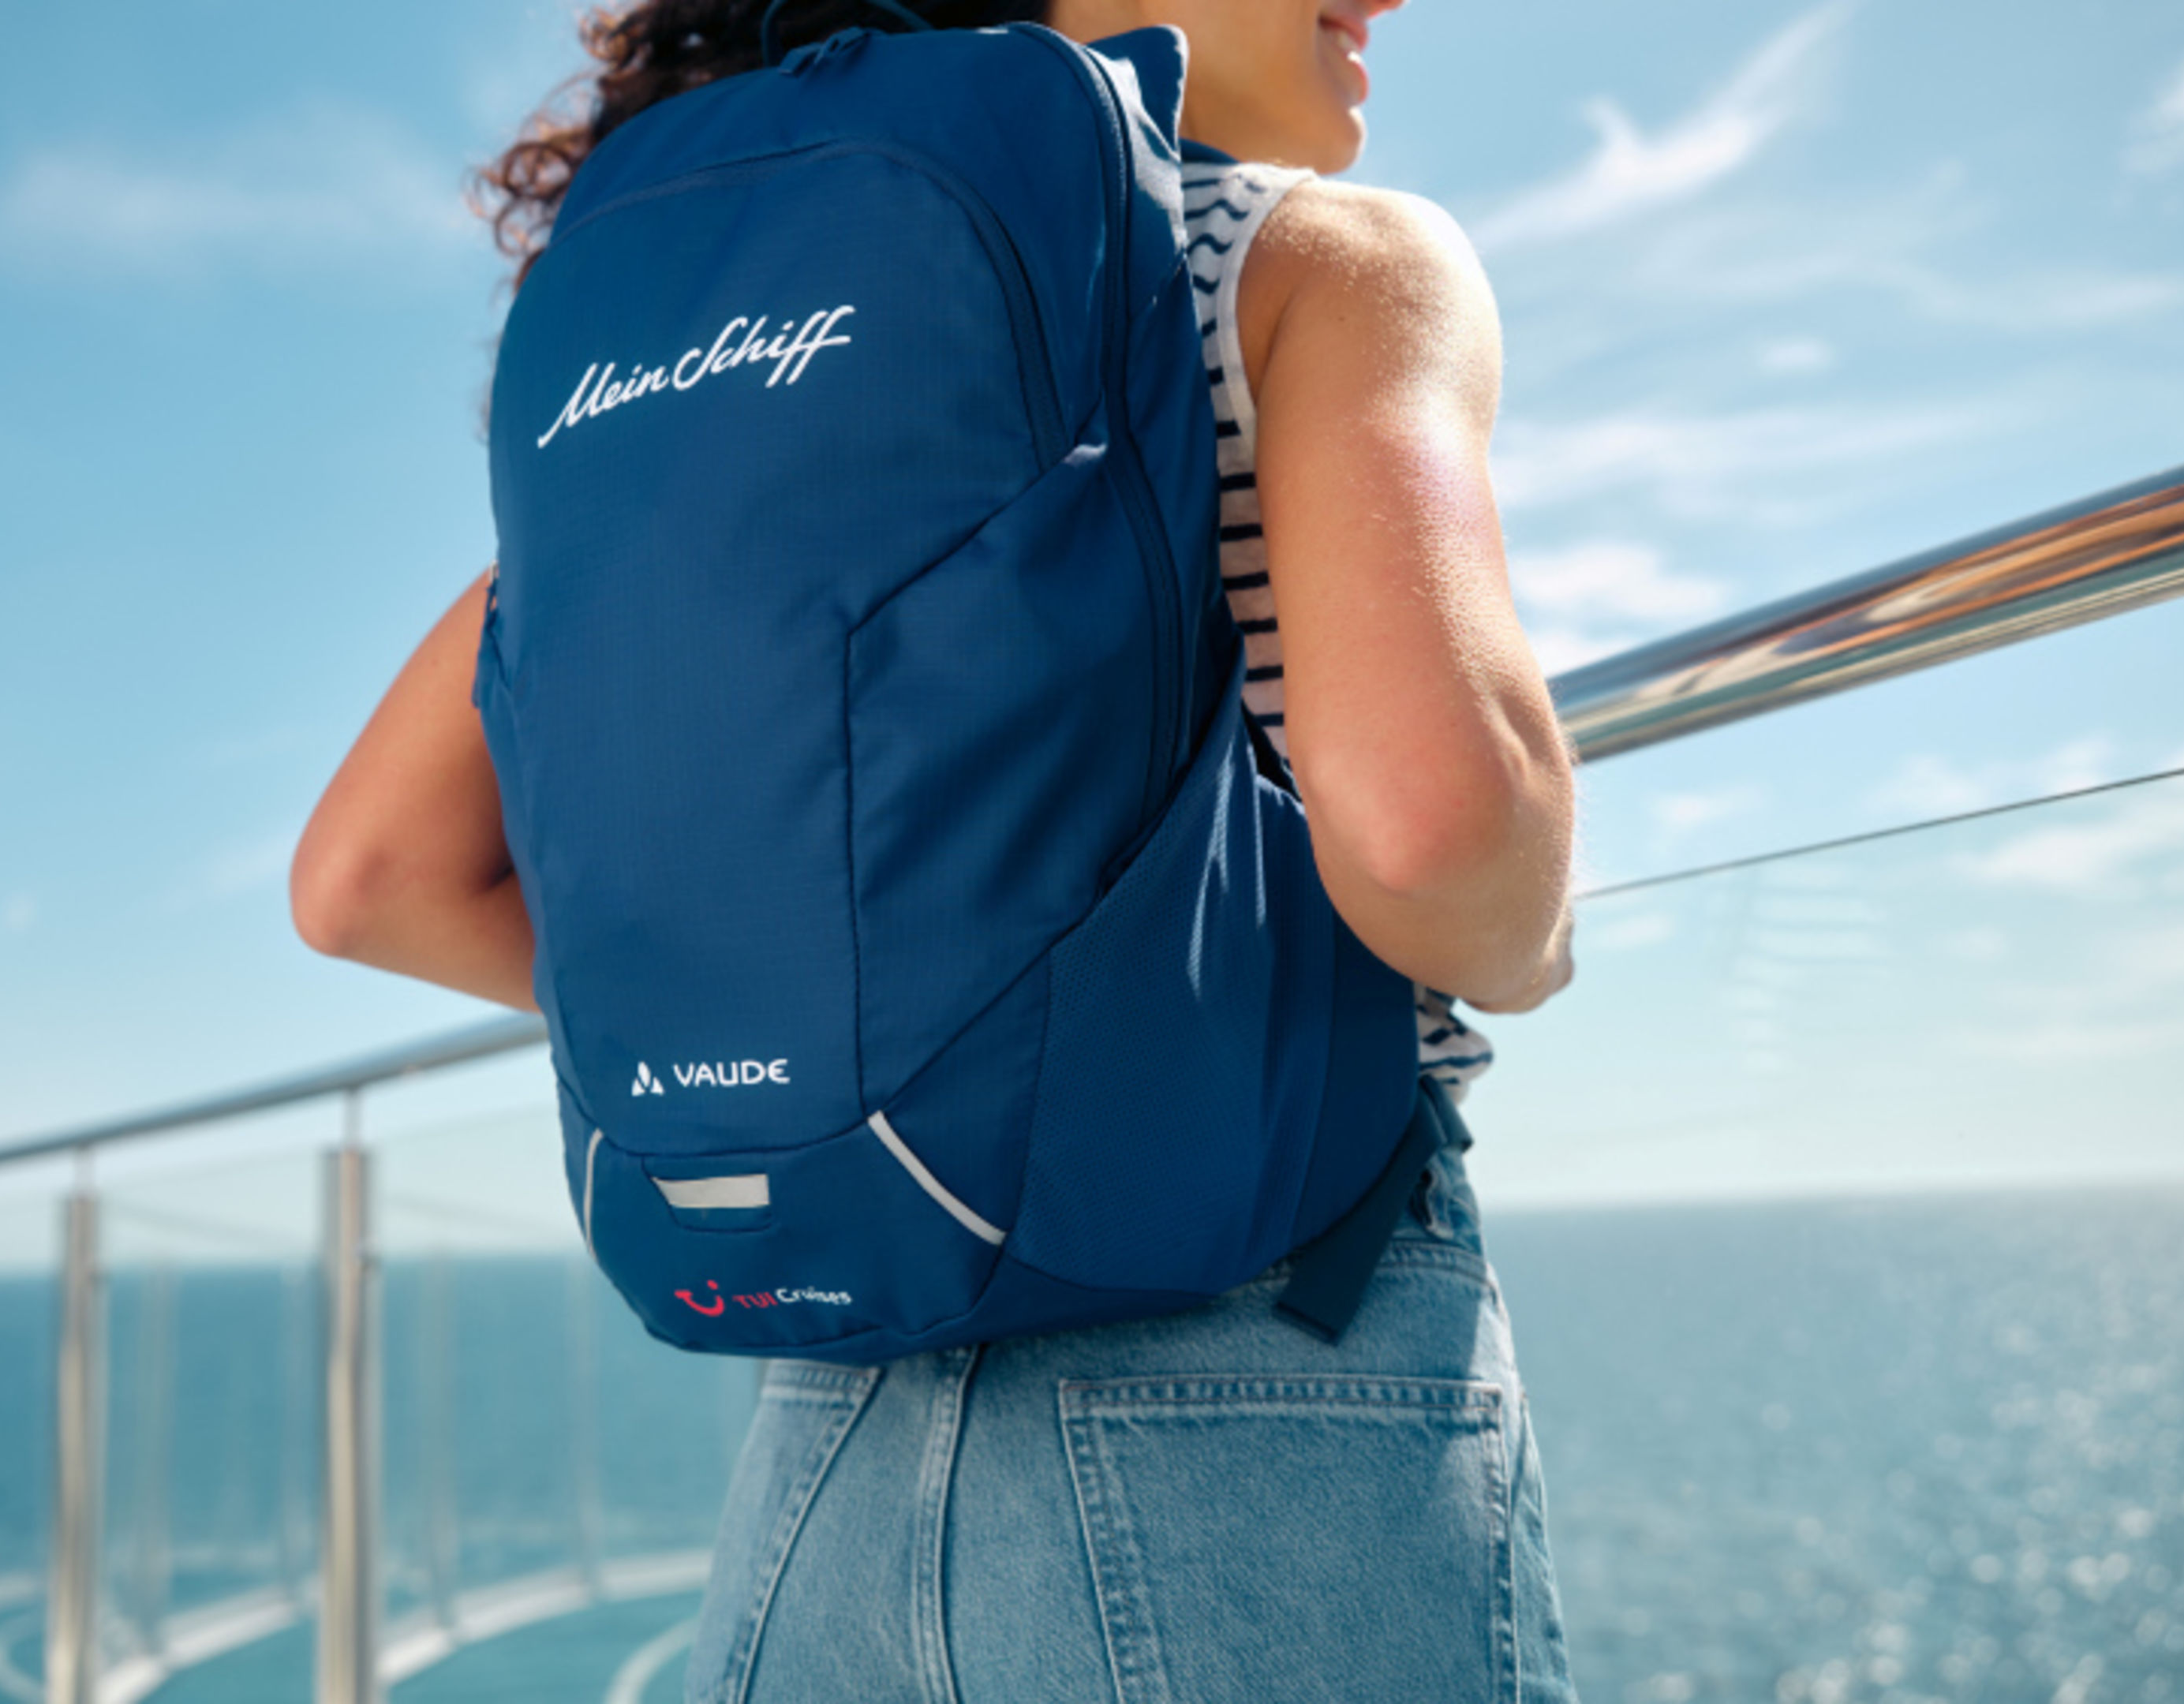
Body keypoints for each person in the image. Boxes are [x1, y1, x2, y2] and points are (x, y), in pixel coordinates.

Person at [290, 0, 1581, 1695]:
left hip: (830, 1416)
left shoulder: (756, 379)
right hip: (1257, 1360)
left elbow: (365, 879)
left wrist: (870, 1021)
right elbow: (1430, 831)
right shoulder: (1313, 257)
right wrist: (1534, 936)